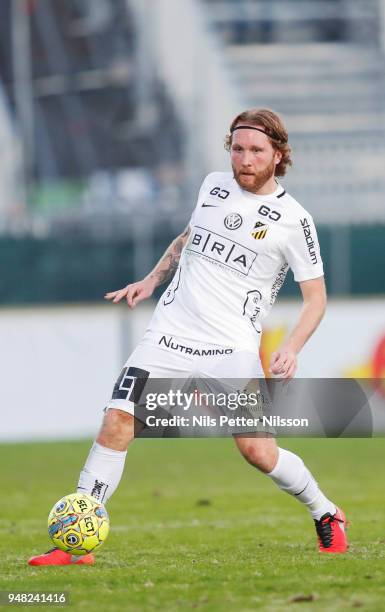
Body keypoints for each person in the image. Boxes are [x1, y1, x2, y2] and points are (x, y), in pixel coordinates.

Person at [29, 108, 348, 566]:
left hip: (231, 348)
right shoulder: (212, 186)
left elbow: (316, 298)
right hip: (168, 334)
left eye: (257, 150)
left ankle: (326, 512)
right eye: (238, 148)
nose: (245, 158)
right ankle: (74, 544)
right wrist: (152, 279)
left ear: (278, 155)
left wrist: (291, 346)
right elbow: (188, 238)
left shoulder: (294, 221)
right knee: (116, 423)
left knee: (258, 451)